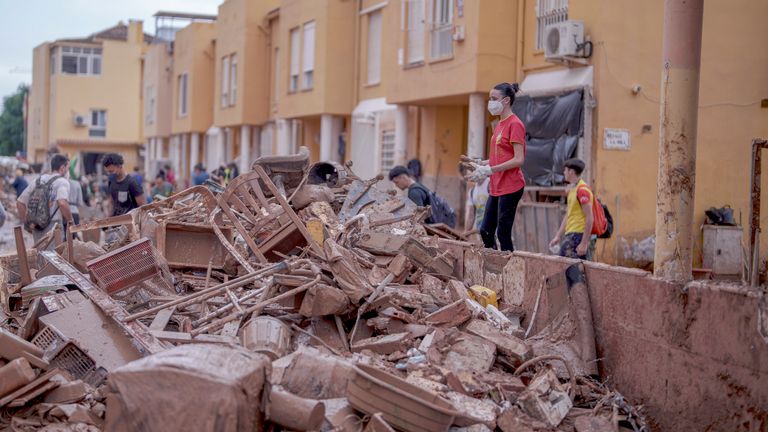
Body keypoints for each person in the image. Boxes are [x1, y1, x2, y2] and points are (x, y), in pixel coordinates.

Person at [465, 82, 526, 251]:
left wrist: (490, 170)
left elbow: (518, 159)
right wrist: (482, 163)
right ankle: (494, 264)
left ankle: (509, 271)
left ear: (506, 100)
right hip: (496, 185)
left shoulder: (515, 124)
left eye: (494, 98)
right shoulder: (499, 125)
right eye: (489, 98)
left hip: (512, 186)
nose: (490, 102)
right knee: (485, 230)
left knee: (503, 233)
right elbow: (500, 157)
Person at [17, 154, 74, 247]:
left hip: (36, 226)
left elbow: (19, 203)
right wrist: (70, 221)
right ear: (63, 168)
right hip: (54, 226)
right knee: (54, 258)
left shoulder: (38, 180)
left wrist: (27, 223)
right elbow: (62, 203)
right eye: (68, 168)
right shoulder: (62, 181)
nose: (68, 171)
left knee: (40, 256)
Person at [549, 158, 597, 260]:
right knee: (572, 270)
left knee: (562, 267)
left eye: (565, 170)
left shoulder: (582, 190)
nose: (564, 172)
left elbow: (589, 217)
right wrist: (558, 236)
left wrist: (584, 243)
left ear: (570, 171)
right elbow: (568, 215)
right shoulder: (573, 189)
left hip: (578, 235)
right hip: (572, 234)